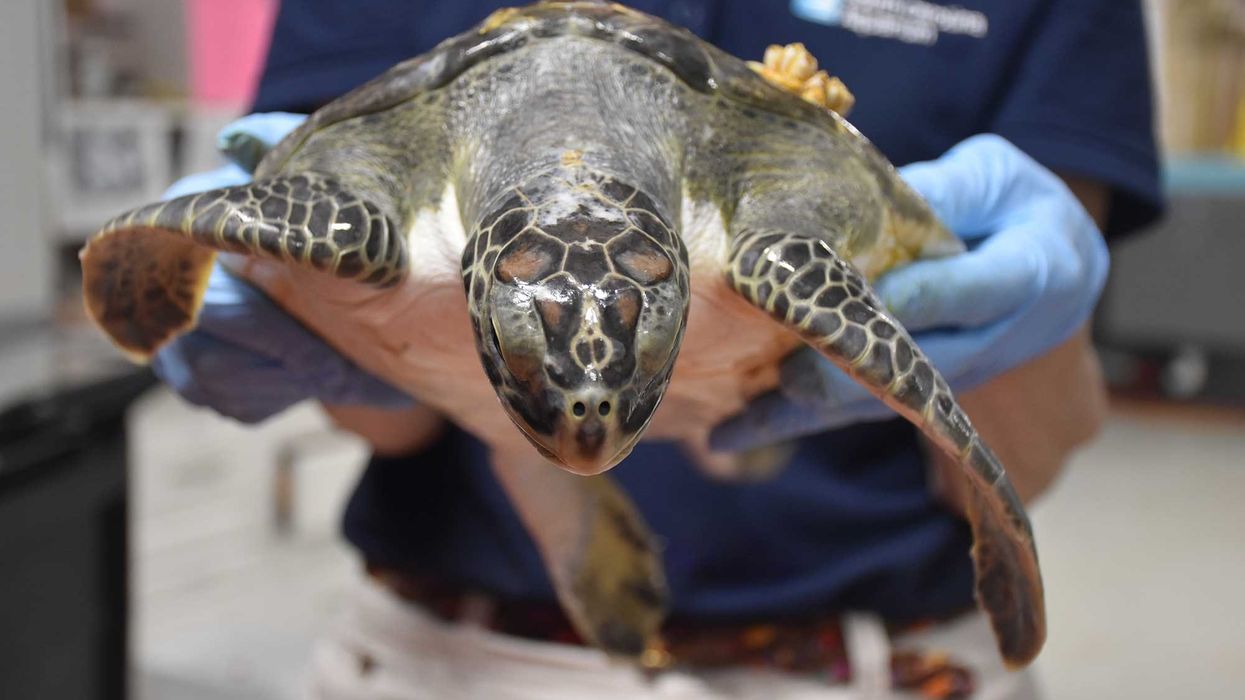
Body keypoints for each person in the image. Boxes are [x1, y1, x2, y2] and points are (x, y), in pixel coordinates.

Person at [154, 1, 1162, 697]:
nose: (589, 414)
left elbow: (1035, 445)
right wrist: (252, 287)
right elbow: (387, 422)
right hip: (450, 656)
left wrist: (1016, 326)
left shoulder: (763, 242)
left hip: (874, 666)